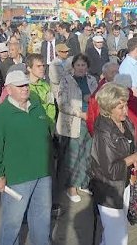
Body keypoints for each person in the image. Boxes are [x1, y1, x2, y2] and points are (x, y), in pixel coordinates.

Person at [0, 69, 53, 245]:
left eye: (26, 85)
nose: (24, 88)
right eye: (20, 85)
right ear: (8, 89)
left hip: (43, 174)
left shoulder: (36, 106)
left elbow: (46, 134)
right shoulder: (0, 114)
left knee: (42, 219)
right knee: (12, 222)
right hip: (17, 177)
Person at [90, 83, 137, 245]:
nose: (125, 110)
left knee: (113, 233)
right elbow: (110, 170)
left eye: (125, 105)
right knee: (118, 237)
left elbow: (130, 147)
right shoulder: (104, 133)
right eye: (120, 107)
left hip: (124, 183)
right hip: (109, 189)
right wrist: (132, 158)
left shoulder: (125, 123)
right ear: (108, 108)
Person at [57, 54, 98, 203]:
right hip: (73, 122)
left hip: (90, 121)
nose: (81, 68)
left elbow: (97, 98)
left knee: (88, 154)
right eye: (78, 65)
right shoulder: (66, 81)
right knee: (74, 155)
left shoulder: (92, 80)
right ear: (73, 66)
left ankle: (83, 182)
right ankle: (71, 187)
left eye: (84, 65)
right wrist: (79, 113)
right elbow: (61, 103)